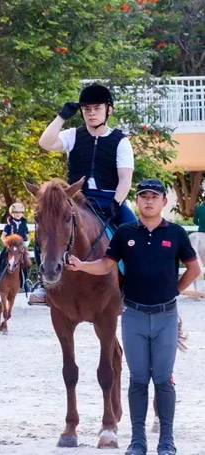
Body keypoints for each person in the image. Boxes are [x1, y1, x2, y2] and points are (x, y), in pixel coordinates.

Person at [67, 179, 201, 455]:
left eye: (154, 196)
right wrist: (81, 265)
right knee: (138, 380)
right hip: (134, 317)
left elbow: (194, 269)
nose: (148, 201)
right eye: (143, 197)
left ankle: (166, 440)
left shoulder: (175, 233)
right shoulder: (125, 233)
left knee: (163, 380)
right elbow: (106, 264)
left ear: (164, 201)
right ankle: (137, 440)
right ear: (137, 202)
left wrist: (172, 291)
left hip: (165, 316)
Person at [30, 83, 136, 305]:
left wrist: (117, 203)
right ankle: (44, 283)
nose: (91, 113)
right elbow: (45, 142)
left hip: (109, 199)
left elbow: (125, 178)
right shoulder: (72, 135)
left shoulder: (120, 141)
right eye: (86, 109)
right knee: (47, 228)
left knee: (135, 232)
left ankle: (136, 287)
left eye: (97, 108)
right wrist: (61, 117)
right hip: (76, 199)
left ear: (109, 110)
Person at [0, 203, 30, 290]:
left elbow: (27, 237)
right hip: (10, 247)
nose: (18, 214)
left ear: (22, 213)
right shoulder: (8, 225)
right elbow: (3, 236)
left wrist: (26, 244)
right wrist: (6, 243)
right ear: (11, 213)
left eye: (20, 212)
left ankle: (25, 282)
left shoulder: (24, 225)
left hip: (20, 248)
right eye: (15, 212)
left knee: (27, 263)